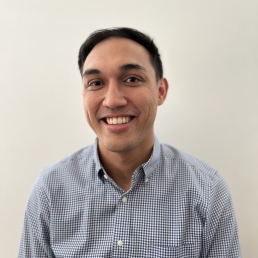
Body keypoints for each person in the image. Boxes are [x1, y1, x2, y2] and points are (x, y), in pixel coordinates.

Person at [19, 27, 242, 257]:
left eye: (132, 79)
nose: (113, 100)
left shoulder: (207, 190)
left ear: (160, 91)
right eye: (95, 83)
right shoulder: (50, 189)